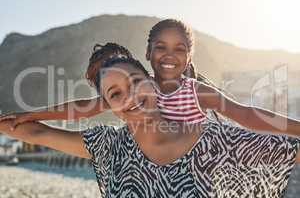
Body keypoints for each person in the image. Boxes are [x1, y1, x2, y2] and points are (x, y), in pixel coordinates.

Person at [0, 56, 300, 197]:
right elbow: (29, 131)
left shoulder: (215, 140)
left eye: (135, 83)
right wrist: (24, 116)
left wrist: (119, 98)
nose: (130, 95)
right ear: (108, 106)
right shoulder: (110, 147)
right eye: (116, 94)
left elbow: (292, 150)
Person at [1, 19, 300, 135]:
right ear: (147, 52)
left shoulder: (196, 92)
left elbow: (245, 113)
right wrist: (28, 115)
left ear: (189, 57)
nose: (169, 56)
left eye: (179, 49)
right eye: (161, 48)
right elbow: (81, 108)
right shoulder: (140, 90)